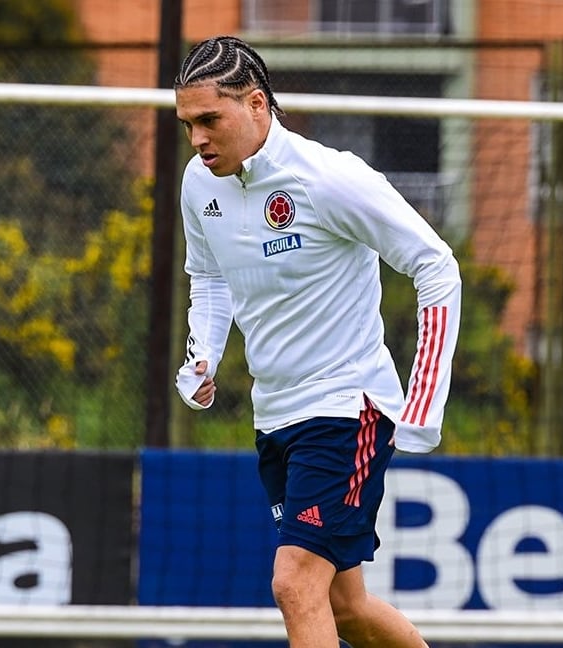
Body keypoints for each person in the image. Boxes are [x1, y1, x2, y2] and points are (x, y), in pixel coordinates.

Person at [173, 36, 461, 648]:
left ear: (256, 105)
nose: (197, 139)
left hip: (346, 406)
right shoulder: (200, 184)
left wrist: (423, 402)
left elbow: (436, 266)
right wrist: (204, 352)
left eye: (208, 121)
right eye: (187, 124)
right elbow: (210, 276)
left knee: (294, 582)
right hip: (276, 415)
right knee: (346, 607)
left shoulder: (329, 178)